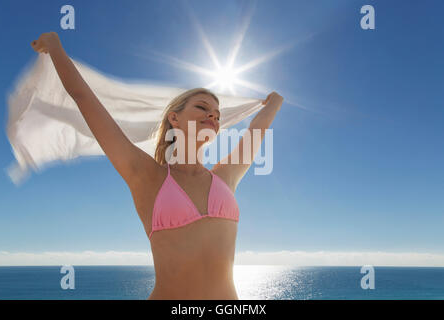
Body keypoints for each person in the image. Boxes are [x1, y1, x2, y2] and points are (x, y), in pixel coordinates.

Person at [31, 32, 284, 299]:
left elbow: (258, 128)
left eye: (218, 114)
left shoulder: (226, 176)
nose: (213, 115)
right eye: (202, 107)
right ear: (174, 118)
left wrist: (275, 101)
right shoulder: (146, 176)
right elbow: (84, 98)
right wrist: (56, 47)